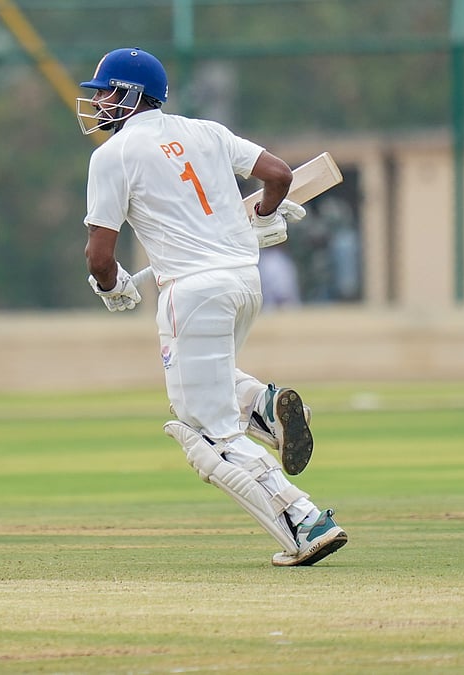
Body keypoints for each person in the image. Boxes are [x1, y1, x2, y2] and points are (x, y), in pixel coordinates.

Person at [77, 47, 347, 567]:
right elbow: (279, 174)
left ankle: (305, 521)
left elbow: (99, 255)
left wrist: (112, 290)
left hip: (192, 294)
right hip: (245, 282)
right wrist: (266, 216)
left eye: (106, 92)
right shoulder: (207, 131)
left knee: (205, 430)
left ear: (132, 95)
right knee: (213, 386)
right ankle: (265, 408)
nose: (99, 104)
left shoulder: (111, 156)